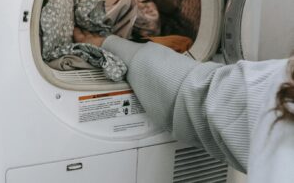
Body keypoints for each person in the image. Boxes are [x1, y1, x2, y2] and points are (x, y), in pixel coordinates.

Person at [74, 28, 294, 183]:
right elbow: (196, 91)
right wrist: (108, 43)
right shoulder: (281, 92)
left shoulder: (282, 92)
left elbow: (196, 91)